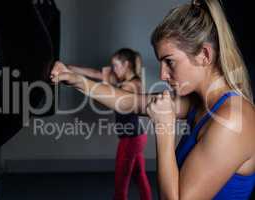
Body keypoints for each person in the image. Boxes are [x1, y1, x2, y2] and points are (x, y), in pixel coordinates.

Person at [50, 0, 255, 199]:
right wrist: (76, 80)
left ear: (204, 55)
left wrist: (164, 128)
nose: (163, 74)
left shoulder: (232, 119)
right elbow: (130, 102)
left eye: (169, 62)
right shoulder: (201, 102)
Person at [57, 48, 152, 200]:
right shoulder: (125, 81)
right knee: (139, 175)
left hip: (130, 139)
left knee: (121, 182)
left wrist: (105, 83)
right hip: (136, 137)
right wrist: (68, 68)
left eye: (115, 66)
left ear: (126, 64)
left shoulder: (133, 84)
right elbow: (94, 73)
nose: (113, 69)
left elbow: (110, 99)